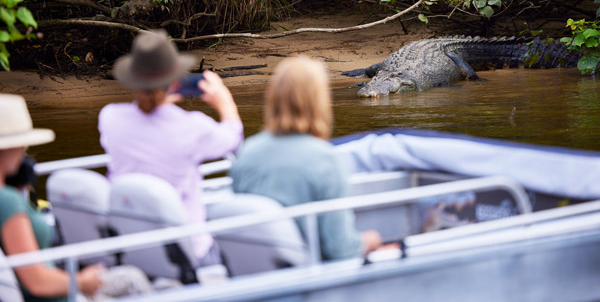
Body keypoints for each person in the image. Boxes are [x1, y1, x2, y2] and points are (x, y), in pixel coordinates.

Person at [98, 29, 243, 265]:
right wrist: (225, 103)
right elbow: (233, 138)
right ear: (175, 82)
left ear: (133, 80)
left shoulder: (109, 118)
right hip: (187, 251)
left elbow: (148, 118)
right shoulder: (192, 127)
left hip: (130, 247)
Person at [0, 94, 153, 301]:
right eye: (21, 144)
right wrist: (82, 280)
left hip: (53, 285)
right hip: (60, 295)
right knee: (133, 277)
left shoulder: (11, 195)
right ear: (8, 148)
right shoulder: (7, 201)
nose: (23, 152)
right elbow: (37, 283)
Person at [230, 56, 384, 261]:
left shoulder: (247, 151)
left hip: (257, 270)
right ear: (319, 102)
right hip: (309, 276)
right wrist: (370, 240)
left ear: (273, 98)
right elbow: (340, 249)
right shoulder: (325, 159)